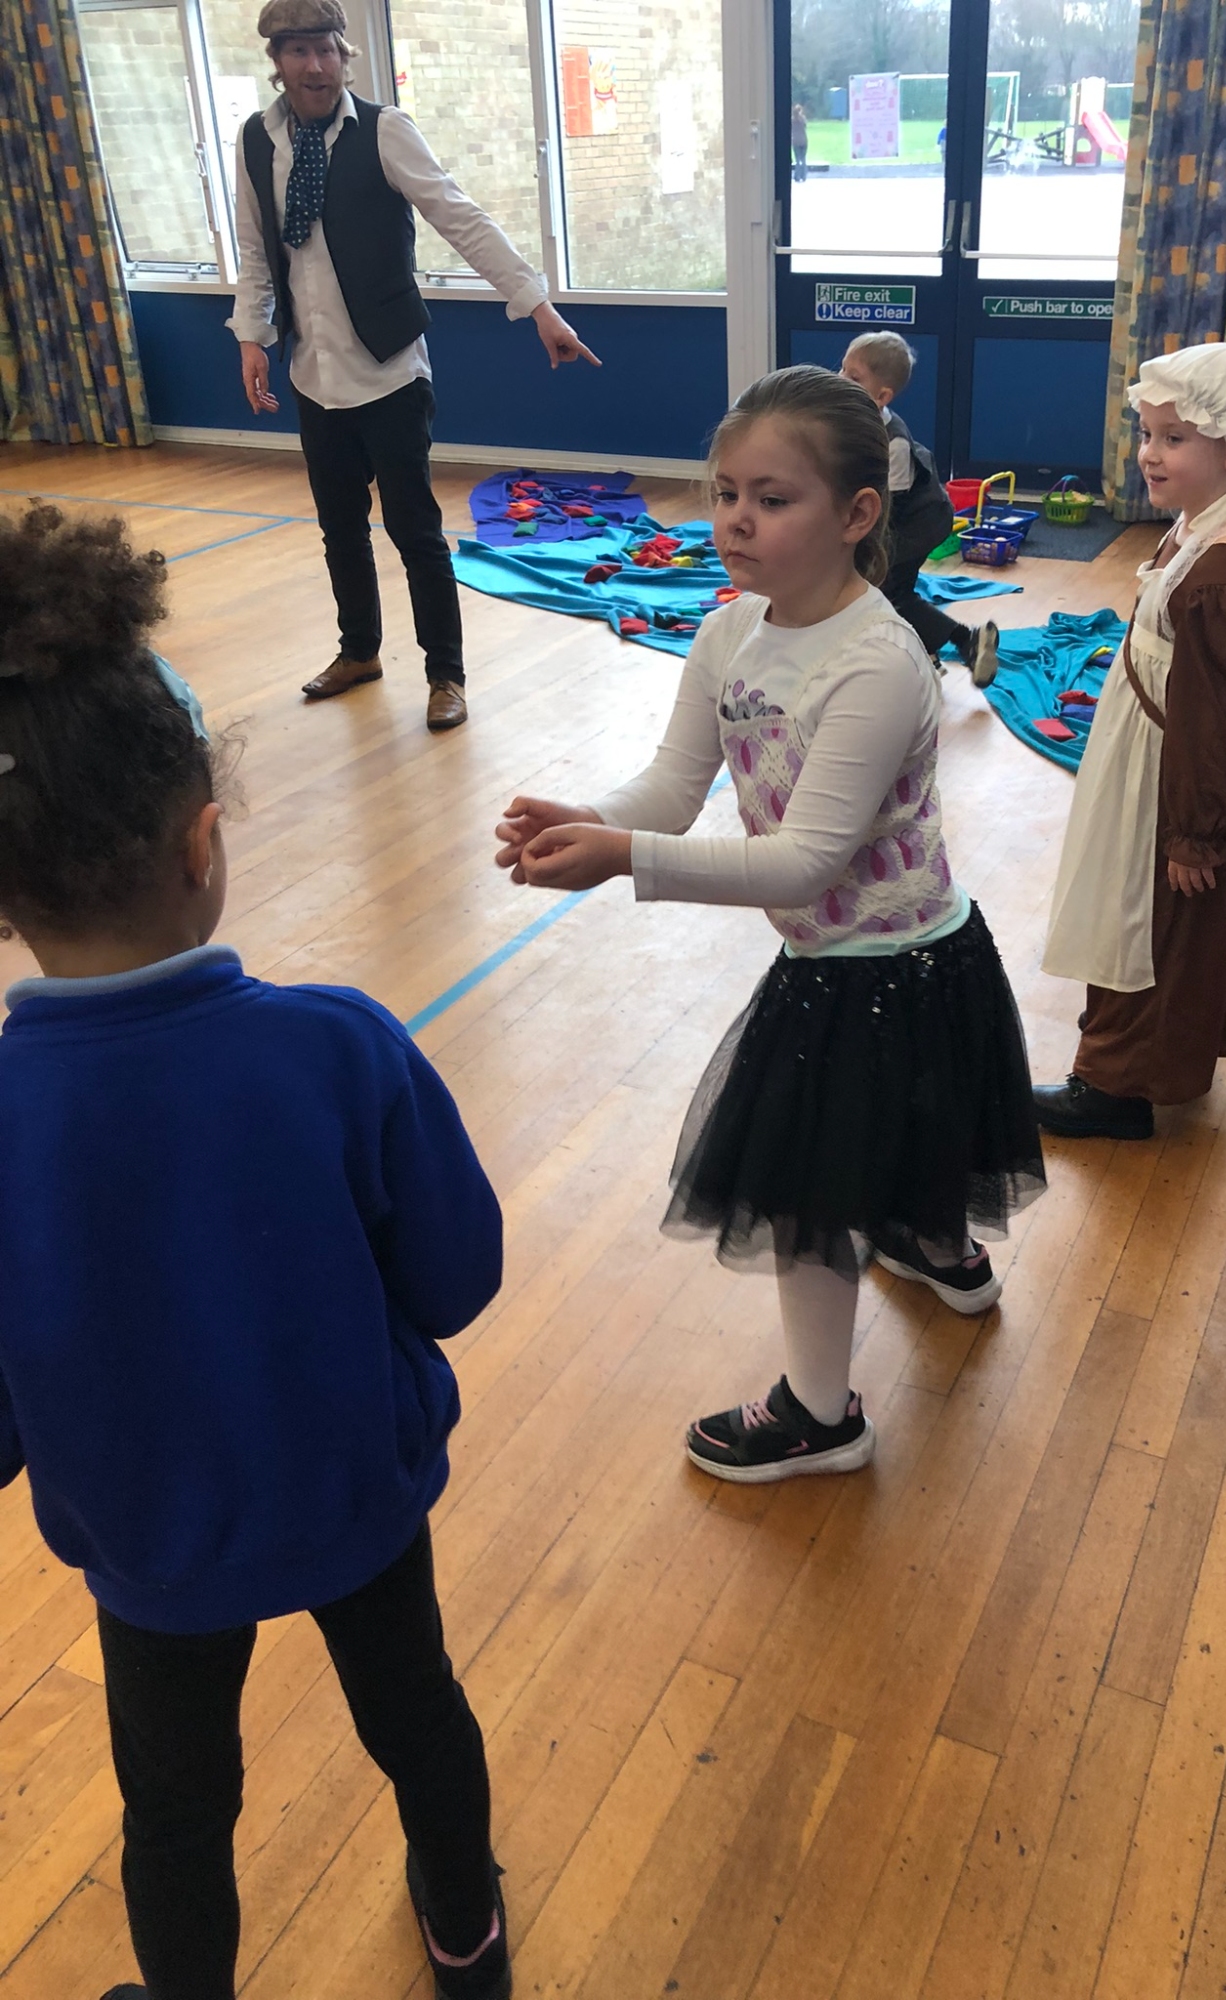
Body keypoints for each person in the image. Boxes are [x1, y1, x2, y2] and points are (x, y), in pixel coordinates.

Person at [0, 503, 510, 2000]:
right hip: (355, 1494)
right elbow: (457, 1279)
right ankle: (467, 1937)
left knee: (174, 1809)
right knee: (418, 1718)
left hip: (149, 1541)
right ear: (205, 842)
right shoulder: (337, 1046)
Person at [493, 366, 1045, 1483]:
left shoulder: (879, 662)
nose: (737, 519)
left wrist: (625, 860)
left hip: (891, 969)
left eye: (773, 498)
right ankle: (945, 1256)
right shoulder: (729, 631)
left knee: (813, 1198)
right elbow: (673, 782)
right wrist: (594, 818)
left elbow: (804, 859)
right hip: (846, 959)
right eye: (725, 492)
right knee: (907, 1140)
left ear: (857, 514)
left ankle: (820, 1415)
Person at [229, 0, 600, 735]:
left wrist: (539, 307)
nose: (315, 66)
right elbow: (255, 249)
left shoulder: (384, 130)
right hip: (312, 372)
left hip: (391, 371)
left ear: (344, 56)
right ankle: (359, 652)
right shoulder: (255, 140)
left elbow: (462, 218)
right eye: (298, 52)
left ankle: (445, 675)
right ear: (277, 62)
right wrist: (252, 337)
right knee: (340, 530)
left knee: (415, 532)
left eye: (326, 50)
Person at [1033, 344, 1226, 1140]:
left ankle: (1116, 1089)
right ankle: (1132, 1064)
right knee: (1136, 911)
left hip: (1173, 772)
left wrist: (1194, 830)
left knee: (1147, 922)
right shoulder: (1207, 521)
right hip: (1151, 753)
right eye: (1147, 434)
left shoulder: (1218, 574)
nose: (1149, 453)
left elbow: (1210, 717)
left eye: (1174, 438)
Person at [840, 332, 1000, 687]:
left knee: (889, 593)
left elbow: (890, 509)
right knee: (881, 591)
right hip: (895, 520)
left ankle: (967, 641)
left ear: (882, 397)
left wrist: (862, 548)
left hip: (916, 523)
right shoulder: (850, 424)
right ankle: (926, 652)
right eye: (842, 369)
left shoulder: (893, 441)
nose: (841, 379)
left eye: (854, 377)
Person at [791, 102, 809, 181]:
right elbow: (805, 126)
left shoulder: (792, 120)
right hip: (804, 140)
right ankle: (804, 176)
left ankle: (797, 176)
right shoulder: (803, 119)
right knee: (803, 159)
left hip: (795, 141)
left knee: (797, 160)